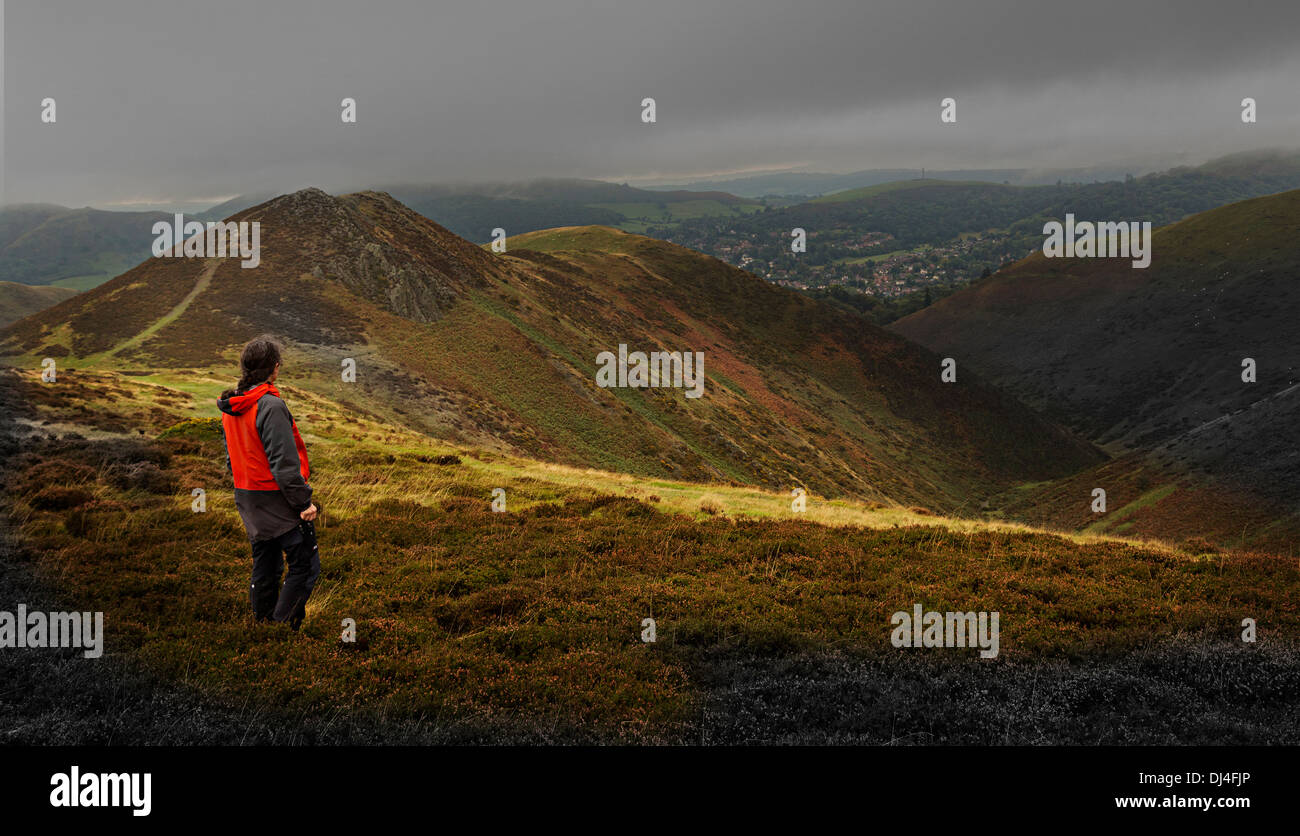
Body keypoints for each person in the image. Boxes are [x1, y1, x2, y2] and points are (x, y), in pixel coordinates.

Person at [217, 337, 320, 630]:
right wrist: (304, 503)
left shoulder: (232, 404)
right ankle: (281, 627)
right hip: (276, 499)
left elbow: (231, 459)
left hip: (249, 498)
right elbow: (284, 465)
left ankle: (261, 626)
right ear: (274, 369)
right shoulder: (270, 406)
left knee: (266, 564)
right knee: (305, 565)